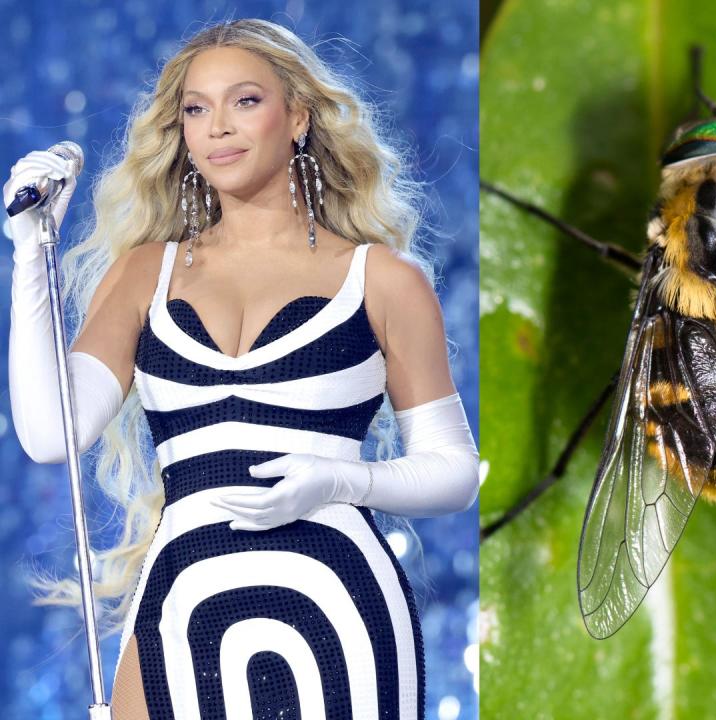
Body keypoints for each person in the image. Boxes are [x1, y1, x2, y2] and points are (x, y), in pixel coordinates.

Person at [3, 18, 478, 720]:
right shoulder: (145, 274)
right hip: (182, 601)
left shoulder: (381, 279)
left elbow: (456, 472)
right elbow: (51, 436)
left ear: (299, 118)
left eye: (245, 101)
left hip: (339, 609)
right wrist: (29, 249)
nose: (217, 127)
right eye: (197, 109)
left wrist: (338, 481)